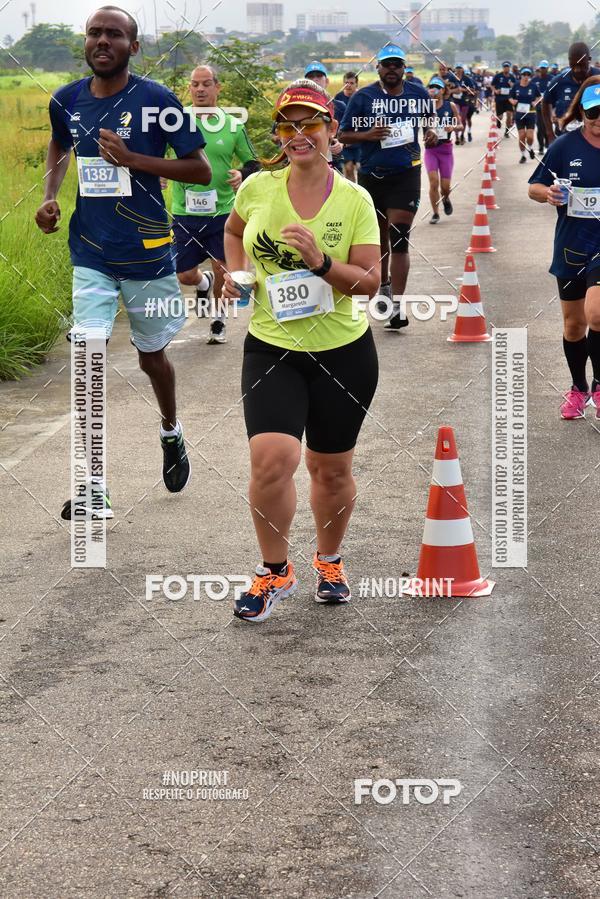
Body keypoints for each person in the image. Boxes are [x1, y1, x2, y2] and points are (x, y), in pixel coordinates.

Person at [34, 6, 211, 519]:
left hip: (150, 253)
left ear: (134, 48)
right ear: (85, 43)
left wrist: (134, 160)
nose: (102, 40)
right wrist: (51, 196)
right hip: (90, 251)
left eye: (115, 34)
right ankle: (92, 487)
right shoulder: (65, 100)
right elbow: (60, 146)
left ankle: (171, 430)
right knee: (87, 358)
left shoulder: (158, 102)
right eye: (94, 33)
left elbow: (198, 171)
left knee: (151, 357)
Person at [220, 80, 380, 622]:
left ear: (332, 131)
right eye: (286, 125)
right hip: (272, 349)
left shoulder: (355, 199)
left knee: (329, 471)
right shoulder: (259, 188)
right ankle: (274, 570)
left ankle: (329, 561)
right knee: (272, 461)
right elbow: (234, 230)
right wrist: (237, 274)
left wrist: (318, 263)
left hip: (343, 353)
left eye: (309, 123)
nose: (297, 134)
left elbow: (368, 283)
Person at [338, 45, 436, 329]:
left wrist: (430, 132)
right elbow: (342, 135)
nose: (392, 69)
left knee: (399, 237)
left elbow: (430, 121)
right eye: (387, 65)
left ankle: (397, 306)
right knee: (379, 239)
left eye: (397, 65)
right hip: (372, 175)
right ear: (378, 68)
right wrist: (368, 134)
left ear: (404, 68)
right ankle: (384, 285)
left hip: (407, 174)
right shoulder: (362, 97)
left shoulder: (418, 93)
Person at [528, 76, 600, 419]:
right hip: (572, 245)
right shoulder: (565, 146)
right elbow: (535, 186)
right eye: (593, 112)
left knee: (597, 314)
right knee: (574, 325)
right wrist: (548, 194)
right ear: (582, 113)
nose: (599, 119)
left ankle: (599, 387)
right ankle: (578, 388)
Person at [169, 64, 257, 345]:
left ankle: (218, 320)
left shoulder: (232, 125)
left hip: (222, 212)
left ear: (218, 87)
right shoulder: (174, 121)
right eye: (195, 84)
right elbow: (156, 154)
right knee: (183, 274)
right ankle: (202, 283)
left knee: (223, 268)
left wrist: (243, 174)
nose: (200, 89)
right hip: (185, 211)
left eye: (206, 84)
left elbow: (252, 162)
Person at [542, 42, 600, 144]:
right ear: (569, 61)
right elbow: (545, 102)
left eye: (581, 65)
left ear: (589, 60)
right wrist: (549, 133)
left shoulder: (598, 78)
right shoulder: (558, 81)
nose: (577, 70)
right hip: (566, 140)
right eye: (573, 65)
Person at [424, 77, 460, 223]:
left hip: (446, 150)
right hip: (431, 150)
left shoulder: (450, 106)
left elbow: (460, 124)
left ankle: (446, 198)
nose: (434, 90)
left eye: (437, 87)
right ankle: (435, 213)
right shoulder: (424, 107)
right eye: (431, 87)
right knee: (433, 182)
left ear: (443, 90)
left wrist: (453, 127)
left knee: (445, 187)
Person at [303, 61, 345, 170]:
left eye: (319, 76)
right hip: (305, 162)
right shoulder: (297, 107)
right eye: (311, 77)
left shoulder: (339, 106)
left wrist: (341, 144)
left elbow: (351, 133)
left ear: (326, 81)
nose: (315, 79)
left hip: (333, 163)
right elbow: (276, 135)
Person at [509, 67, 542, 163]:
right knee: (522, 136)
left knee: (530, 136)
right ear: (521, 75)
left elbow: (539, 96)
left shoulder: (533, 86)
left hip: (530, 113)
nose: (526, 76)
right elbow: (510, 96)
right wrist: (513, 101)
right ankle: (523, 155)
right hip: (519, 114)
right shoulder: (516, 86)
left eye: (528, 75)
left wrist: (535, 102)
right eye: (524, 75)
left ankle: (530, 148)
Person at [334, 71, 360, 182]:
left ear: (356, 84)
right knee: (348, 168)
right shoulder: (338, 98)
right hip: (344, 140)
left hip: (360, 139)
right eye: (346, 83)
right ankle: (353, 192)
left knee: (360, 168)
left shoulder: (361, 97)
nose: (348, 85)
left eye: (351, 83)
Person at [452, 64, 477, 144]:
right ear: (455, 69)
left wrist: (462, 89)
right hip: (455, 101)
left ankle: (462, 135)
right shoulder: (452, 78)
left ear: (462, 69)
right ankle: (456, 137)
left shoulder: (467, 79)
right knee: (457, 117)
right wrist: (455, 90)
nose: (458, 70)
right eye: (457, 68)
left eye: (460, 68)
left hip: (465, 101)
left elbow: (472, 90)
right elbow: (448, 88)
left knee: (463, 119)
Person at [531, 60, 552, 153]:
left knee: (548, 126)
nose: (543, 70)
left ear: (547, 68)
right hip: (538, 107)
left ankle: (548, 144)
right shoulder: (534, 80)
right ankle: (541, 146)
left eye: (544, 68)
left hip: (549, 106)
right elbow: (531, 93)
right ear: (539, 68)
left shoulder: (552, 78)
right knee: (540, 127)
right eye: (541, 68)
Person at [492, 61, 516, 136]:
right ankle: (498, 121)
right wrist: (495, 90)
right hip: (499, 98)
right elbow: (492, 85)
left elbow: (515, 86)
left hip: (508, 99)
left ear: (509, 68)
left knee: (509, 115)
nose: (506, 68)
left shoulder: (512, 77)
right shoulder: (498, 76)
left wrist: (512, 85)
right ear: (503, 68)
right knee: (500, 117)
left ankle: (507, 131)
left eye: (507, 67)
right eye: (505, 67)